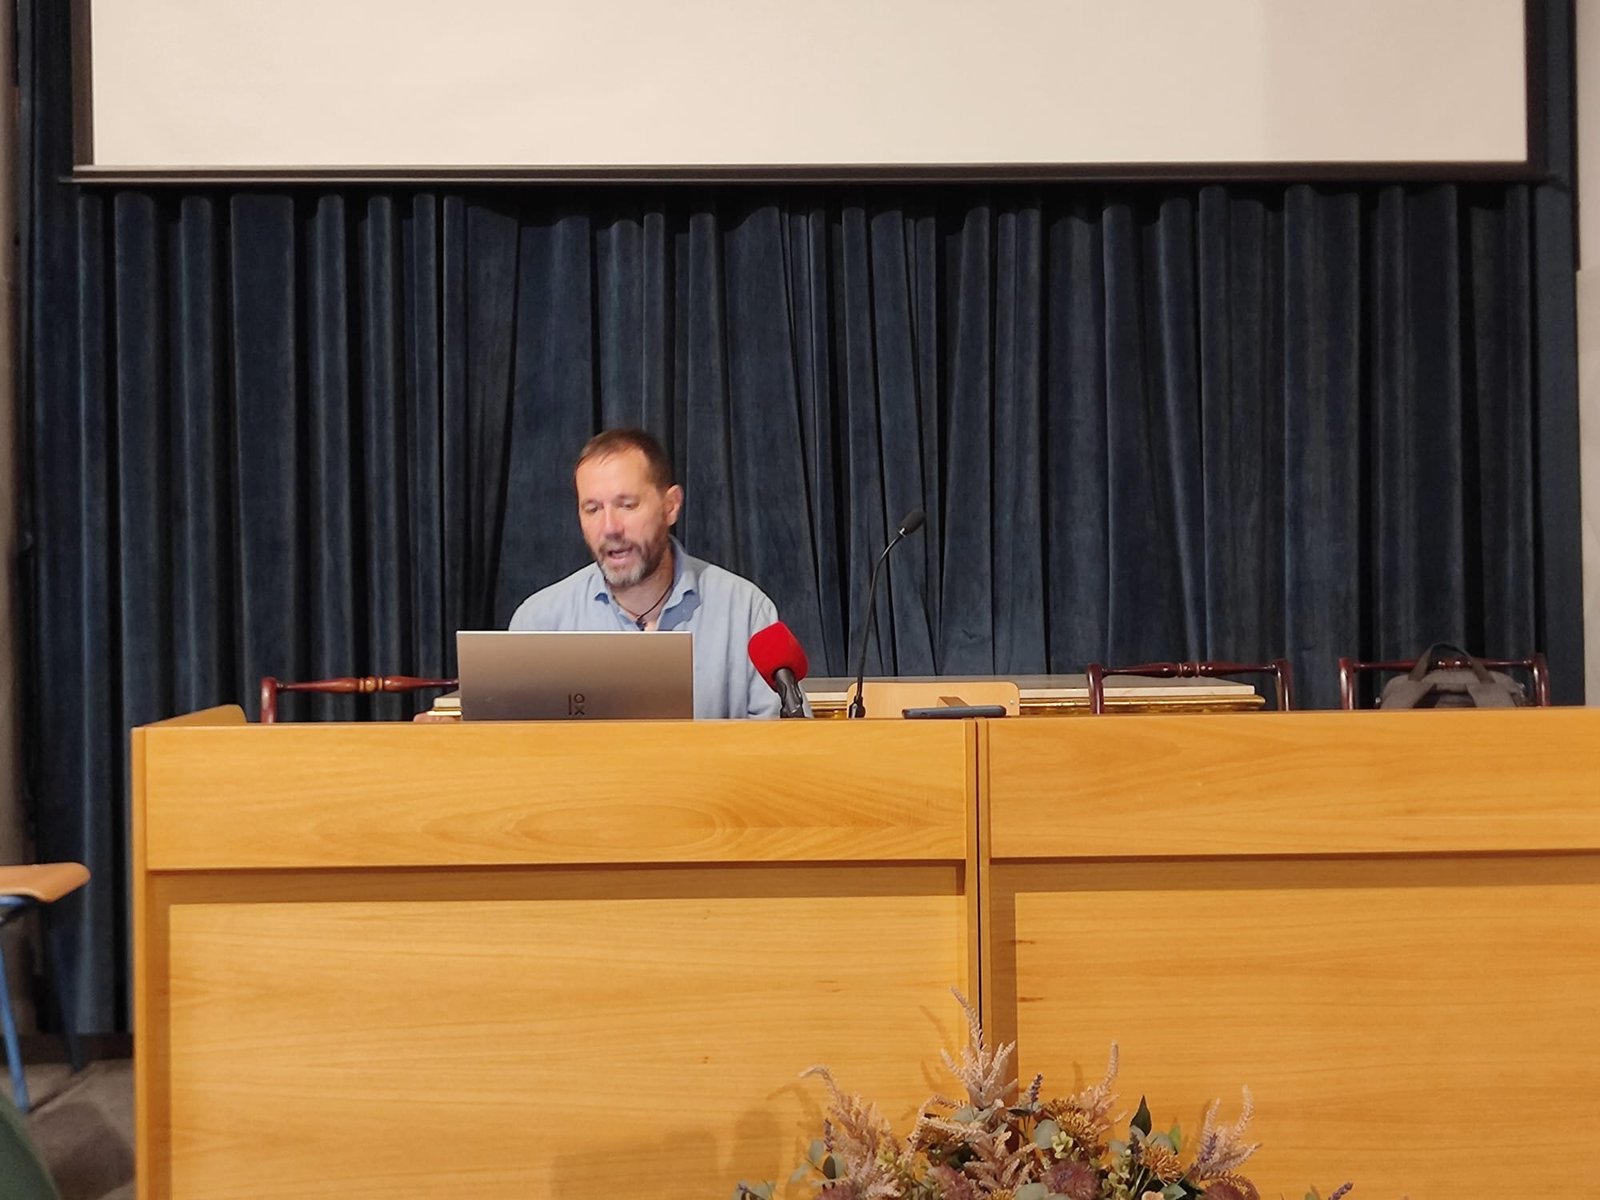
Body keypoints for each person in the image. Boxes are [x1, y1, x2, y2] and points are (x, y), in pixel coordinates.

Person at [507, 428, 787, 719]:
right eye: (592, 509)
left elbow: (785, 746)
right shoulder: (539, 623)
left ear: (671, 506)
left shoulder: (745, 612)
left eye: (627, 505)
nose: (610, 527)